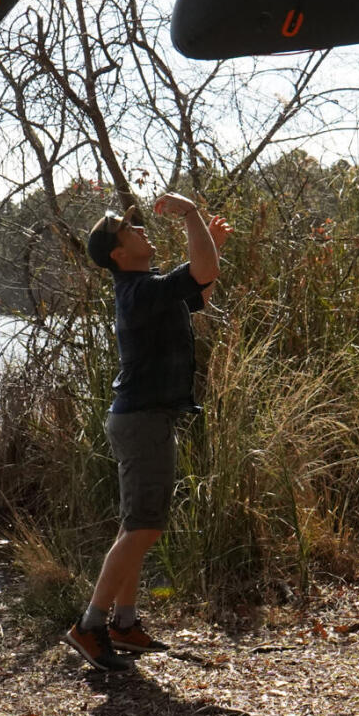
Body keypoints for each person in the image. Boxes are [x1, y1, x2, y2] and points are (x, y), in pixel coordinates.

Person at [64, 191, 232, 672]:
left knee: (135, 526)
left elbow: (200, 290)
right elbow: (202, 274)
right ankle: (90, 626)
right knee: (144, 526)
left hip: (143, 418)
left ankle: (124, 622)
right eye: (130, 231)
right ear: (119, 255)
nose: (141, 231)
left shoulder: (147, 290)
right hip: (141, 420)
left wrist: (208, 245)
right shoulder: (138, 292)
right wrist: (192, 215)